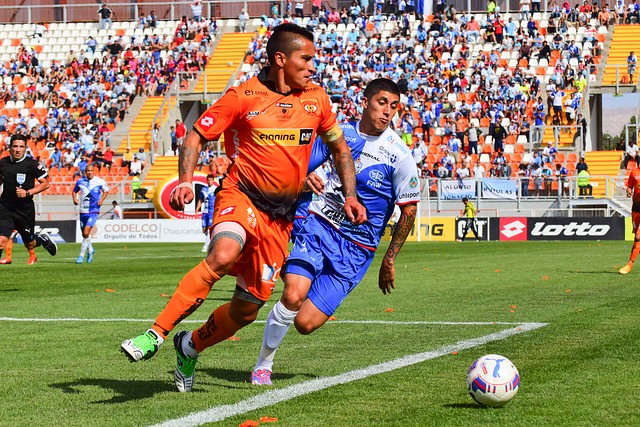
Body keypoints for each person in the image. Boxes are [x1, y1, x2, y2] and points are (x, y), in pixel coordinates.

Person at [119, 23, 366, 393]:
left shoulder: (318, 99)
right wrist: (186, 179)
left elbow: (340, 149)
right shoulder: (243, 96)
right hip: (241, 195)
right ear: (281, 59)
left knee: (246, 310)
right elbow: (197, 134)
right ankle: (154, 333)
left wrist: (350, 194)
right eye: (307, 59)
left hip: (281, 219)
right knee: (223, 252)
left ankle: (190, 346)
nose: (313, 66)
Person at [251, 78, 419, 385]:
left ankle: (286, 330)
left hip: (357, 251)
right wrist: (303, 179)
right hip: (319, 228)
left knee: (305, 323)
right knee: (292, 294)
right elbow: (298, 166)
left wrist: (390, 258)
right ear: (365, 101)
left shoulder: (400, 156)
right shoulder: (339, 135)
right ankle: (263, 365)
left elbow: (409, 210)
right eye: (382, 102)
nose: (387, 112)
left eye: (394, 106)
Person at [0, 134, 58, 263]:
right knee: (1, 240)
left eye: (21, 147)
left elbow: (45, 183)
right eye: (15, 146)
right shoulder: (3, 163)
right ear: (9, 147)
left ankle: (42, 239)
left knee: (30, 244)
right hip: (5, 207)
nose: (18, 149)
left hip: (24, 210)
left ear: (25, 148)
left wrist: (27, 193)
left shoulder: (31, 164)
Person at [72, 164, 109, 264]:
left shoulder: (99, 181)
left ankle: (81, 256)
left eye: (91, 170)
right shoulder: (80, 181)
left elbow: (106, 191)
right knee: (85, 235)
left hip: (93, 211)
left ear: (94, 171)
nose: (89, 172)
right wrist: (74, 199)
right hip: (82, 211)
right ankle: (91, 250)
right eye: (88, 171)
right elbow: (74, 191)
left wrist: (101, 200)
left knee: (85, 233)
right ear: (85, 172)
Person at [619, 165, 640, 274]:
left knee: (638, 237)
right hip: (636, 208)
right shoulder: (634, 172)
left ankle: (630, 264)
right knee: (636, 237)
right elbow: (630, 186)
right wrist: (628, 191)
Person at [195, 174, 218, 253]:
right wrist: (197, 209)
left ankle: (206, 246)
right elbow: (200, 200)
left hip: (212, 211)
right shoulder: (204, 189)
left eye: (211, 180)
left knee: (209, 230)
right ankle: (212, 241)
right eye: (208, 180)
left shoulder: (215, 189)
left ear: (213, 180)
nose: (209, 181)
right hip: (205, 211)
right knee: (204, 230)